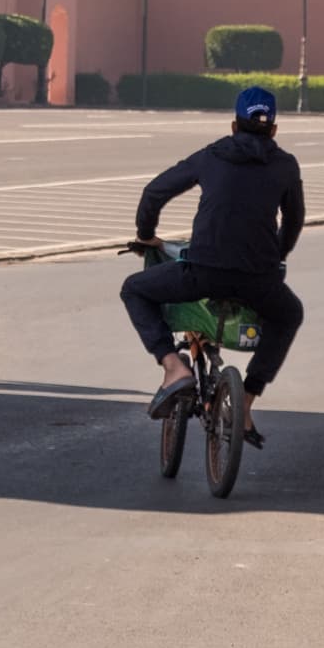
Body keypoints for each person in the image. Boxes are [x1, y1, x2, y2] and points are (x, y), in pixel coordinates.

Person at [119, 85, 305, 446]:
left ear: (234, 126)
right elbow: (294, 221)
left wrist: (146, 235)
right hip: (258, 279)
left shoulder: (212, 156)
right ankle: (247, 400)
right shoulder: (285, 165)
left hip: (203, 272)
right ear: (274, 130)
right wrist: (275, 256)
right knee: (289, 313)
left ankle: (173, 366)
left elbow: (154, 192)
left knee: (134, 289)